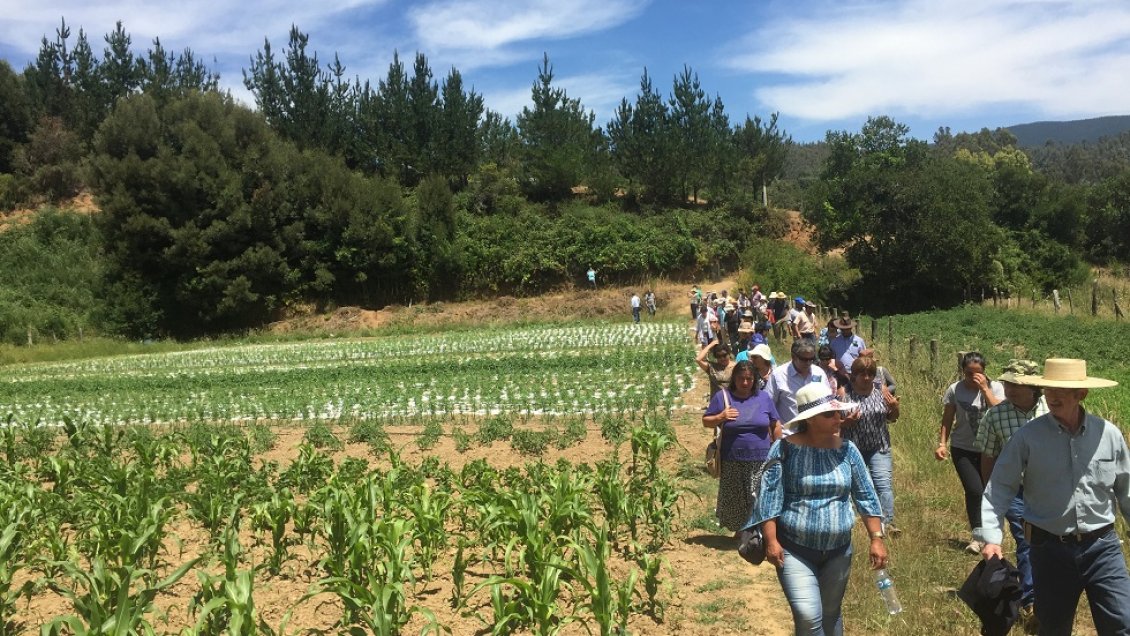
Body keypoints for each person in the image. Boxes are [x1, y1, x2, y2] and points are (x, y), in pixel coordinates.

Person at [980, 358, 1129, 635]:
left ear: (1081, 394)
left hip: (1102, 548)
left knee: (1122, 623)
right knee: (1053, 628)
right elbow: (998, 487)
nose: (1052, 396)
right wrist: (991, 537)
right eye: (1048, 389)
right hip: (1050, 550)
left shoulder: (1108, 434)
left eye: (1061, 390)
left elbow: (1126, 489)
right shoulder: (1028, 437)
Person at [745, 382, 887, 636]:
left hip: (839, 550)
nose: (838, 417)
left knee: (831, 614)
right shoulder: (784, 449)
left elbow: (866, 495)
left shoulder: (848, 450)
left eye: (838, 412)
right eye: (829, 414)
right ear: (810, 419)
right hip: (794, 549)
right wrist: (771, 540)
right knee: (809, 616)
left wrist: (876, 538)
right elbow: (769, 497)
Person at [973, 359, 1047, 627]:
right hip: (1015, 491)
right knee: (1026, 541)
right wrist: (992, 494)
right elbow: (988, 456)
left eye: (1016, 385)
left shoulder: (1051, 410)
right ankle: (1031, 602)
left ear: (1033, 387)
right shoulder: (995, 416)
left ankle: (1050, 595)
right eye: (1007, 384)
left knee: (1051, 544)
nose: (1010, 389)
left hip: (1050, 490)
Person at [702, 360, 782, 532]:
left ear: (754, 379)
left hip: (761, 459)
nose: (745, 383)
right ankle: (740, 533)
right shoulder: (723, 397)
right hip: (732, 459)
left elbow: (775, 424)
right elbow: (706, 421)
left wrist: (779, 448)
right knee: (736, 498)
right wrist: (721, 417)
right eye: (741, 378)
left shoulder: (763, 398)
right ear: (734, 378)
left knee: (759, 496)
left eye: (749, 379)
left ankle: (757, 533)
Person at [936, 352, 1004, 553]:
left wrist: (985, 389)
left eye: (978, 373)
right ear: (962, 371)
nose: (973, 377)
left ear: (985, 372)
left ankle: (993, 536)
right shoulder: (955, 390)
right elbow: (947, 418)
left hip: (991, 450)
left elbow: (1000, 412)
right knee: (975, 490)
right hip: (963, 448)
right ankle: (977, 537)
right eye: (968, 373)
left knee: (990, 492)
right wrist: (942, 443)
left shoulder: (996, 387)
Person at [842, 356, 902, 536]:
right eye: (862, 374)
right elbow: (835, 422)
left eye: (870, 374)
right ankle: (851, 521)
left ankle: (888, 523)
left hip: (879, 446)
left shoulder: (881, 391)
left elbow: (892, 418)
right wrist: (846, 422)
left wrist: (895, 407)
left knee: (883, 484)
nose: (866, 378)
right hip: (853, 447)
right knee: (852, 484)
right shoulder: (844, 393)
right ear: (854, 375)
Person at [766, 340, 830, 426]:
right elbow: (768, 405)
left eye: (812, 359)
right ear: (793, 356)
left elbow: (828, 400)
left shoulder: (819, 372)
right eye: (804, 359)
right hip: (789, 431)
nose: (808, 363)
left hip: (816, 430)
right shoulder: (778, 375)